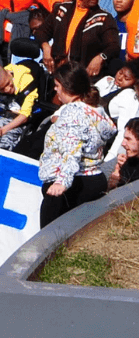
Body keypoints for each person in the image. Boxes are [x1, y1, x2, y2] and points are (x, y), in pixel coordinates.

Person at [39, 62, 116, 227]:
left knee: (50, 239)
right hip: (95, 179)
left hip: (69, 188)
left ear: (67, 87)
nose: (55, 89)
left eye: (57, 85)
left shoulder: (72, 113)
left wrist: (62, 182)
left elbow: (72, 151)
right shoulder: (96, 110)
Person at [36, 0, 120, 80]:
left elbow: (114, 46)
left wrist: (100, 57)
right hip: (59, 73)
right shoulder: (62, 10)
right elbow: (41, 32)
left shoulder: (104, 18)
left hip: (84, 77)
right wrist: (46, 47)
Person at [0, 63, 39, 151]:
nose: (7, 89)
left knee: (5, 145)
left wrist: (3, 130)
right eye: (1, 89)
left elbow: (25, 115)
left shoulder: (26, 80)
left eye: (8, 83)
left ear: (9, 73)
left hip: (18, 124)